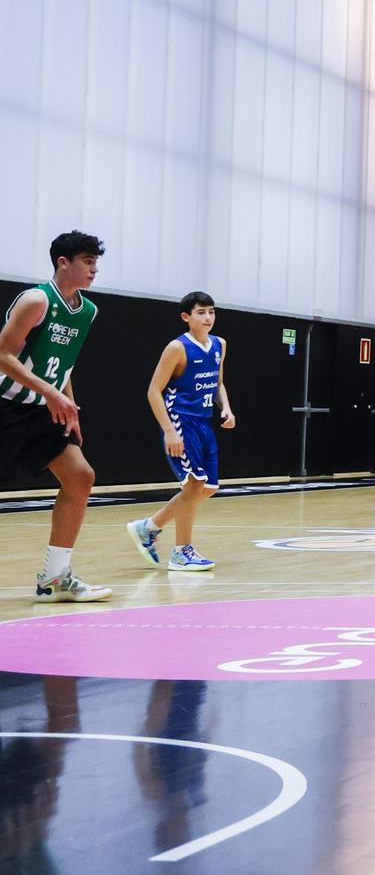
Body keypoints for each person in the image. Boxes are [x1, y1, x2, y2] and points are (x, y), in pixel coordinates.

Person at [0, 231, 114, 602]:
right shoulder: (37, 300)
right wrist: (50, 393)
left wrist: (69, 405)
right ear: (63, 262)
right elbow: (3, 356)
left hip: (43, 409)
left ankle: (55, 578)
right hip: (7, 405)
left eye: (96, 262)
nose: (94, 269)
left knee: (81, 477)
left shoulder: (88, 311)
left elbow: (65, 365)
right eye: (87, 261)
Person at [126, 292, 234, 573]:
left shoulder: (220, 344)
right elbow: (153, 390)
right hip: (181, 422)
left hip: (204, 422)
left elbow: (218, 383)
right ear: (186, 317)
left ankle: (148, 527)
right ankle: (181, 552)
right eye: (201, 312)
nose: (207, 317)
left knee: (207, 488)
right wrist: (170, 431)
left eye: (211, 311)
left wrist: (227, 409)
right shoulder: (177, 348)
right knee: (193, 486)